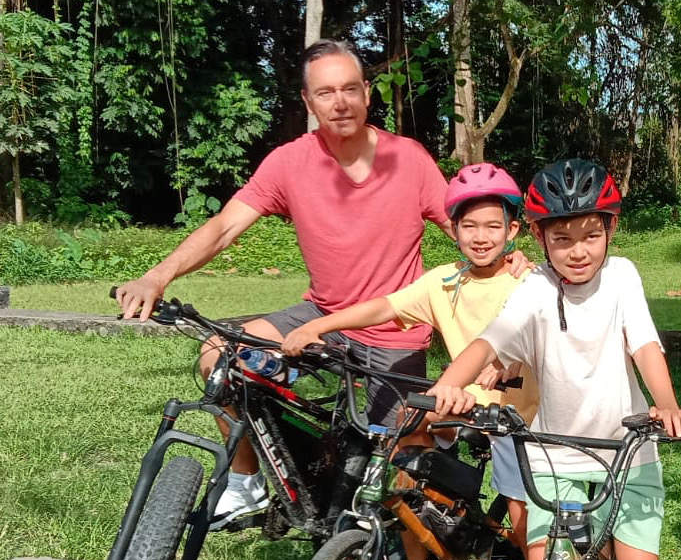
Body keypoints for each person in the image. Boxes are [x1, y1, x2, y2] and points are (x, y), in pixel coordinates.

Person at [115, 40, 520, 530]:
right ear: (308, 102)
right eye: (325, 92)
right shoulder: (289, 163)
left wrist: (514, 263)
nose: (340, 102)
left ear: (368, 94)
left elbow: (465, 224)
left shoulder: (408, 160)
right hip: (322, 315)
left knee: (400, 458)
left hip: (394, 331)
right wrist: (156, 275)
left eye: (351, 89)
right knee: (219, 356)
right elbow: (224, 226)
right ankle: (247, 483)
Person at [426, 159, 681, 560]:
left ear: (611, 232)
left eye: (591, 235)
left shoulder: (624, 277)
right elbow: (489, 345)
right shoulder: (535, 291)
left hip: (628, 450)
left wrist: (666, 401)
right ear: (540, 239)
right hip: (554, 454)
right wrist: (446, 386)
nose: (578, 251)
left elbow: (645, 346)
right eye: (563, 238)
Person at [279, 162, 537, 560]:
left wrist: (507, 367)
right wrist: (319, 323)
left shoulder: (528, 281)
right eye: (470, 226)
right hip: (459, 402)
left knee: (524, 520)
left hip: (522, 413)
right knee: (404, 450)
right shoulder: (443, 282)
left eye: (493, 227)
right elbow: (385, 306)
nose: (481, 237)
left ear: (513, 230)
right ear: (452, 229)